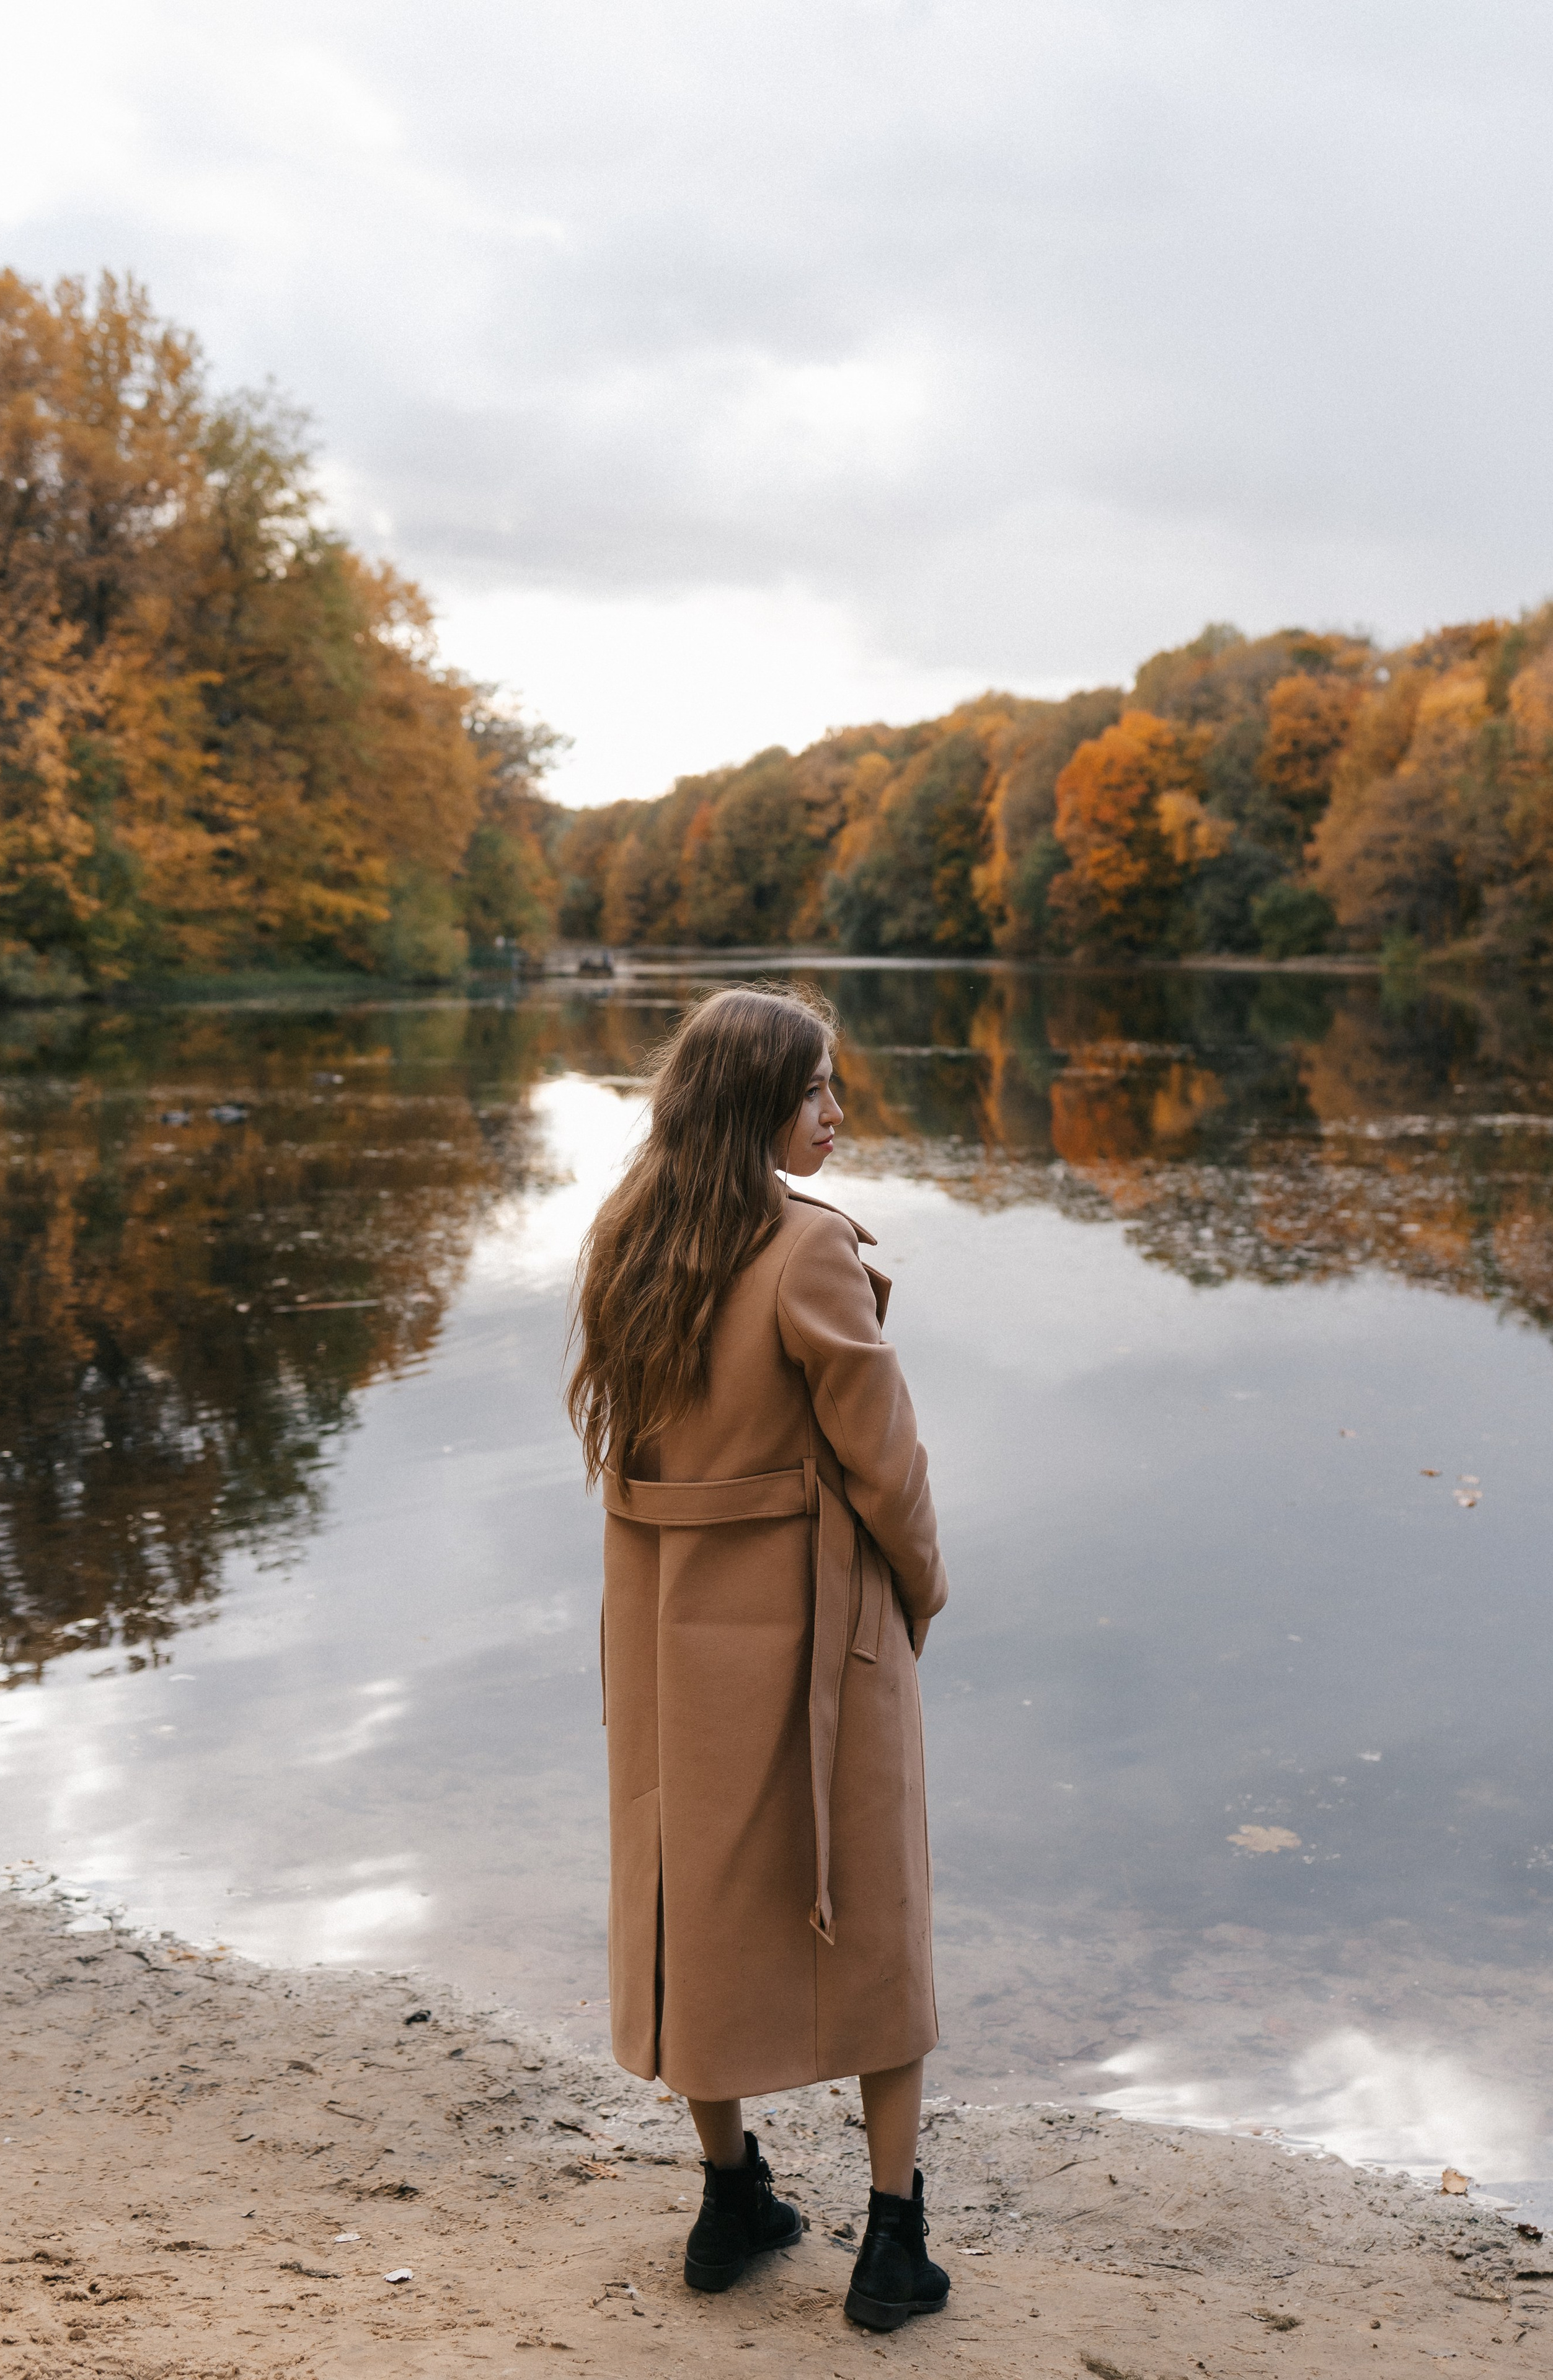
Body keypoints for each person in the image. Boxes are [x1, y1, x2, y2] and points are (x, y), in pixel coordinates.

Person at [567, 982, 950, 2334]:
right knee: (871, 1914)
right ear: (751, 1104)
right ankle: (889, 2242)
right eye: (813, 1092)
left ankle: (730, 2199)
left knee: (696, 1899)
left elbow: (630, 1452)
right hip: (811, 1630)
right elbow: (883, 1461)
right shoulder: (807, 1254)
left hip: (668, 1629)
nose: (835, 1114)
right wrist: (921, 1589)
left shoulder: (627, 1239)